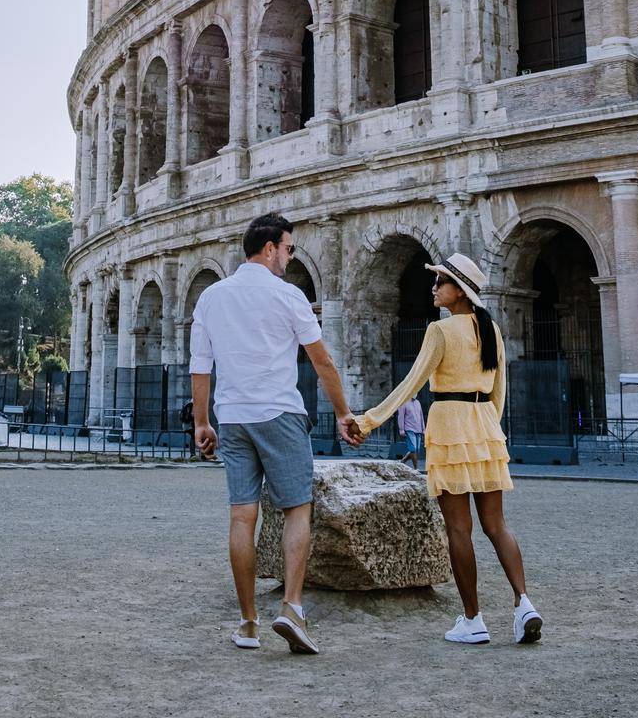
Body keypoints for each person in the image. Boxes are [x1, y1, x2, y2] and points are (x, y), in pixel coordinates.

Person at [190, 211, 362, 656]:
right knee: (296, 510)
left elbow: (200, 367)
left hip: (233, 416)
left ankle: (248, 623)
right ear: (269, 248)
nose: (290, 255)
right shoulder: (289, 296)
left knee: (242, 517)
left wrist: (202, 422)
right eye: (288, 248)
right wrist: (343, 412)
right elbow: (322, 361)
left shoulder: (211, 297)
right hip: (279, 413)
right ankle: (291, 607)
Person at [353, 251, 543, 648]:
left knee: (460, 529)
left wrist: (369, 420)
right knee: (497, 526)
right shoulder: (491, 330)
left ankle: (473, 619)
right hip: (485, 424)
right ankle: (523, 602)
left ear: (460, 292)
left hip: (450, 422)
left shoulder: (440, 331)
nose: (434, 287)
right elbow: (499, 390)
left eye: (441, 281)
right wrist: (489, 428)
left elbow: (410, 384)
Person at [398, 395, 425, 468]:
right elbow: (401, 416)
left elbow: (421, 416)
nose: (415, 393)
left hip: (418, 429)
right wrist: (401, 429)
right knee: (413, 449)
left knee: (416, 450)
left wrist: (423, 428)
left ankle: (402, 461)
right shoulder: (403, 402)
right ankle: (416, 468)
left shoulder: (418, 402)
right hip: (409, 429)